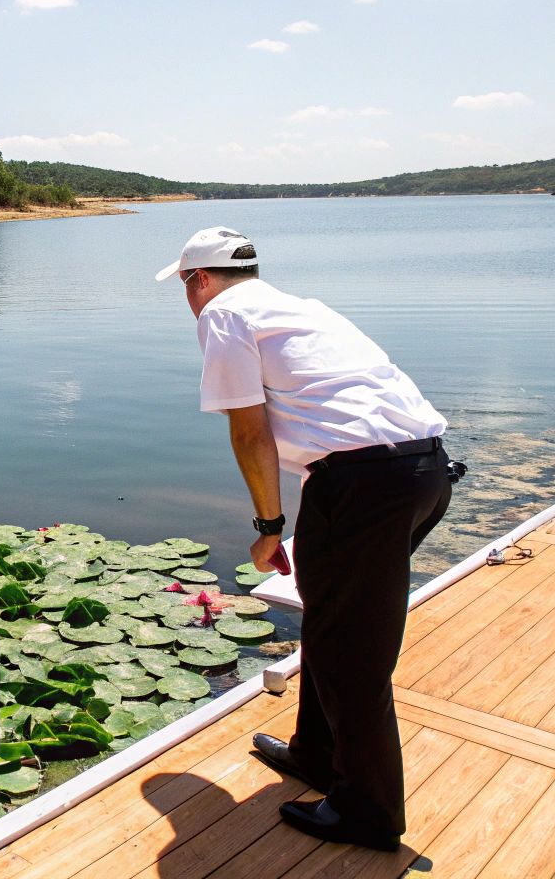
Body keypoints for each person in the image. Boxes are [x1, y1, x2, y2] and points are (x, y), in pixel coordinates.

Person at [158, 226, 452, 852]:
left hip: (362, 486)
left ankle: (369, 813)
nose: (188, 297)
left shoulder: (223, 314)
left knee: (352, 653)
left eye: (185, 284)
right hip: (421, 472)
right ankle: (317, 756)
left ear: (199, 280)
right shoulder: (298, 307)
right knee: (331, 622)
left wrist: (269, 527)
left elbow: (248, 430)